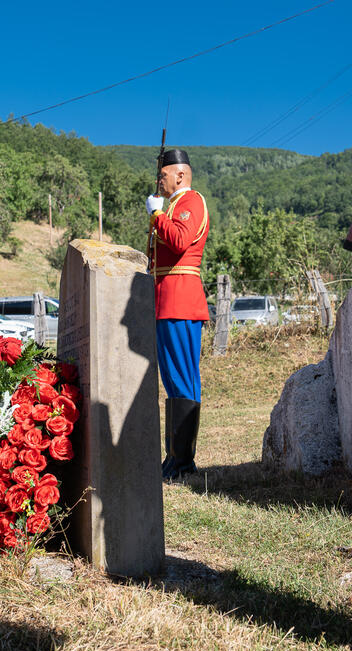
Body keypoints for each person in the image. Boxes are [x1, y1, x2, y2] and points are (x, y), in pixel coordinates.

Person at [144, 149, 210, 480]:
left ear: (180, 175)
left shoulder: (191, 202)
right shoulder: (173, 206)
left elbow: (181, 241)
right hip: (166, 301)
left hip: (181, 300)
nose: (160, 181)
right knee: (173, 381)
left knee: (183, 378)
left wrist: (157, 217)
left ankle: (184, 463)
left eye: (163, 175)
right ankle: (175, 458)